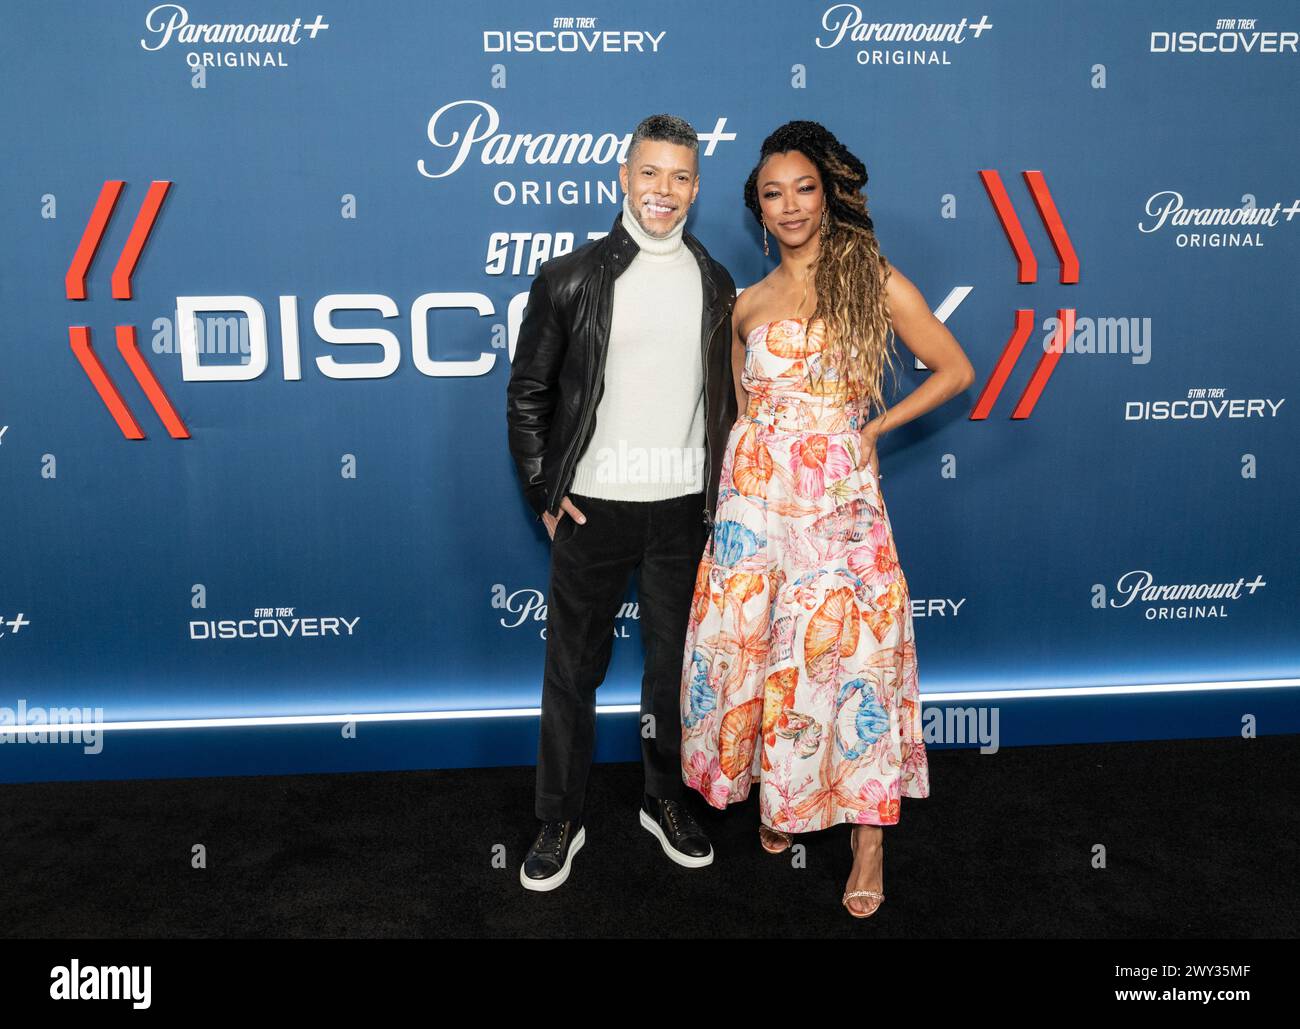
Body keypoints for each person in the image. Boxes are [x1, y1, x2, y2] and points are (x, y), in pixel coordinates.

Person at [679, 121, 976, 917]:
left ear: (828, 192)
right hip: (757, 508)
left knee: (852, 659)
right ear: (758, 211)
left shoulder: (866, 275)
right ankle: (787, 797)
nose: (791, 206)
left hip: (837, 507)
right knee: (766, 650)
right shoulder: (747, 302)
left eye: (803, 188)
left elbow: (954, 369)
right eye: (773, 194)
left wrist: (874, 428)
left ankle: (868, 836)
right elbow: (745, 411)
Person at [506, 114, 738, 891]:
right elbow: (529, 391)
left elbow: (727, 403)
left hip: (682, 511)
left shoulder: (716, 282)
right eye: (650, 173)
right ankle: (559, 818)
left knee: (673, 671)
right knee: (572, 670)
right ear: (623, 177)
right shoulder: (570, 277)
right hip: (593, 509)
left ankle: (664, 798)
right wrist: (546, 487)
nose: (663, 191)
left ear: (696, 187)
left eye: (679, 177)